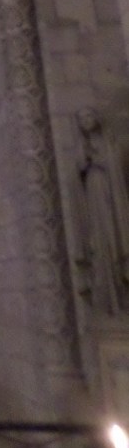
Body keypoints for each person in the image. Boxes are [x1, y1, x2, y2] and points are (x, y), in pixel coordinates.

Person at [75, 106, 129, 313]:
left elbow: (115, 166)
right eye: (81, 118)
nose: (85, 121)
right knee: (99, 244)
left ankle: (121, 294)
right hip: (94, 199)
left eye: (88, 116)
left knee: (114, 237)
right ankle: (105, 296)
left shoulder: (109, 142)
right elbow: (79, 169)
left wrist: (99, 161)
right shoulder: (83, 146)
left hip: (111, 198)